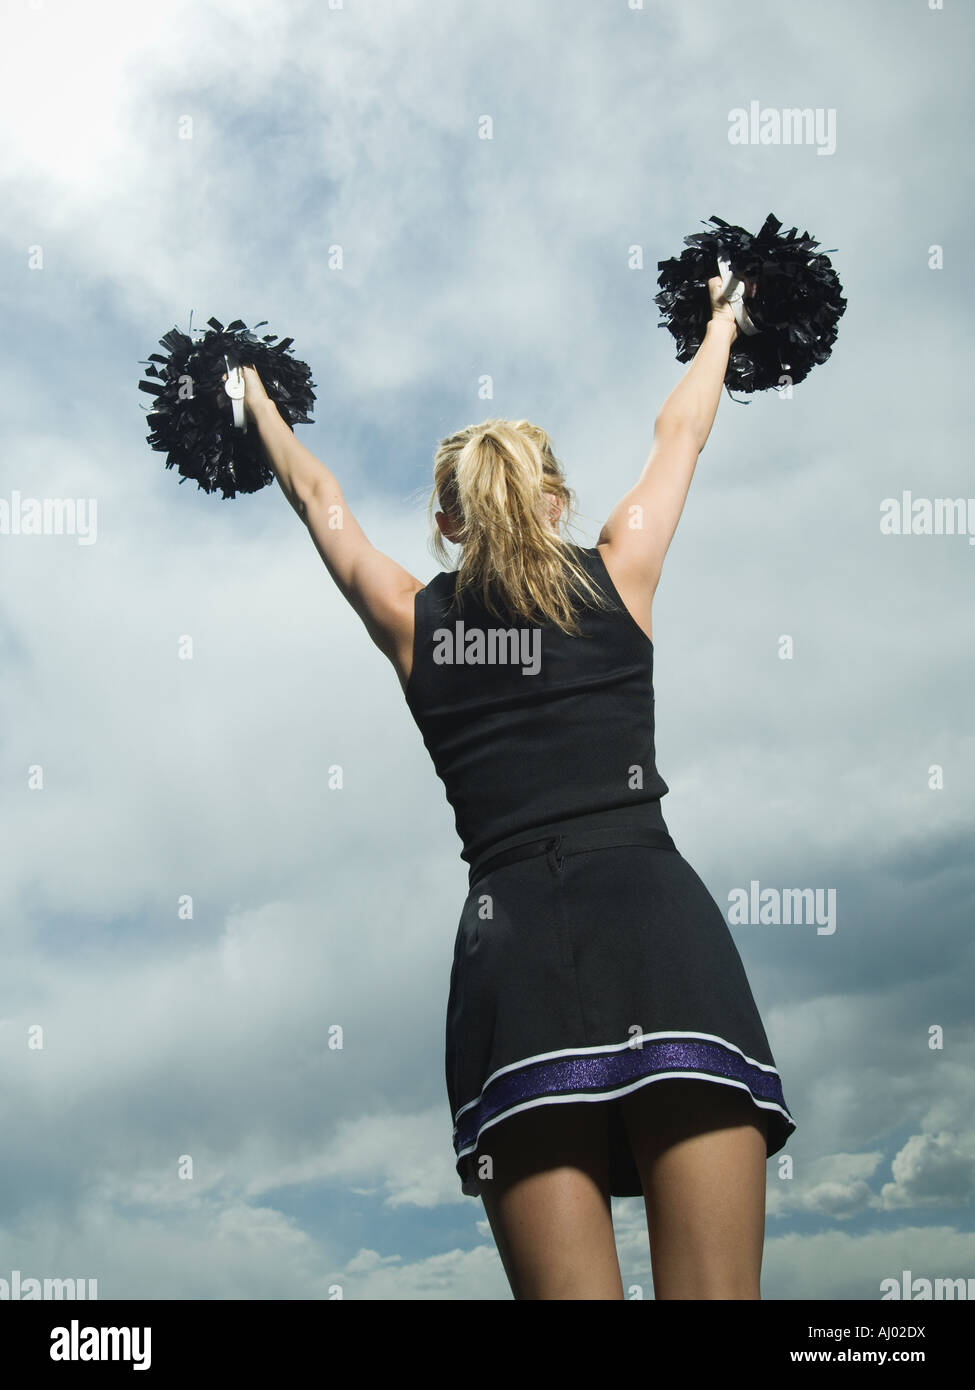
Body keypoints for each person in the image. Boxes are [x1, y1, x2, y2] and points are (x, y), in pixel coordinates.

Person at [229, 274, 796, 1300]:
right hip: (660, 933)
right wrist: (724, 321)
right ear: (560, 499)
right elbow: (681, 437)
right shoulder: (622, 567)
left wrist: (251, 398)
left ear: (446, 522)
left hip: (514, 961)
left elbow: (321, 501)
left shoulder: (413, 617)